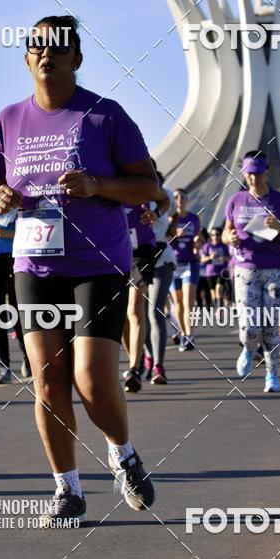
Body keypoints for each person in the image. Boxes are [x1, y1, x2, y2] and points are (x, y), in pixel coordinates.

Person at [0, 15, 157, 527]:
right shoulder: (9, 118)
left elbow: (146, 186)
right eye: (36, 46)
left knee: (92, 381)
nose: (45, 54)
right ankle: (68, 489)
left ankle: (122, 454)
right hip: (34, 263)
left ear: (76, 58)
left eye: (57, 46)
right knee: (49, 380)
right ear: (27, 57)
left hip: (97, 265)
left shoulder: (105, 116)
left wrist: (99, 186)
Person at [223, 151, 280, 392]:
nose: (253, 178)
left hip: (276, 270)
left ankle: (271, 375)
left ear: (267, 172)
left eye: (257, 173)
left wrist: (279, 228)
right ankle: (248, 347)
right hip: (246, 268)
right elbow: (226, 231)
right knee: (250, 325)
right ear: (244, 173)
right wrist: (230, 237)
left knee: (270, 326)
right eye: (249, 174)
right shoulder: (236, 200)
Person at [0, 206, 31, 383]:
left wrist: (9, 234)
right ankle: (4, 368)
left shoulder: (18, 207)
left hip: (15, 262)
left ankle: (28, 359)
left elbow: (32, 233)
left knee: (18, 314)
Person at [121, 203, 157, 393]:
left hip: (141, 250)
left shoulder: (142, 177)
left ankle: (134, 369)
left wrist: (156, 212)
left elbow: (164, 199)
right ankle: (135, 358)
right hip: (115, 248)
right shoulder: (104, 178)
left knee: (134, 307)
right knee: (121, 315)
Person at [143, 166, 174, 384]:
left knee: (155, 311)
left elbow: (173, 211)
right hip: (137, 258)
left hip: (162, 257)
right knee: (139, 314)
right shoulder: (129, 195)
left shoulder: (164, 194)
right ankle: (147, 355)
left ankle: (158, 365)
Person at [170, 188, 201, 351]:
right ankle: (182, 333)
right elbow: (162, 239)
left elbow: (200, 237)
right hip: (174, 263)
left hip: (190, 262)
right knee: (178, 303)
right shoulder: (170, 219)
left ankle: (190, 335)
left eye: (182, 196)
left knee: (189, 300)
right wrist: (174, 234)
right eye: (176, 197)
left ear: (187, 199)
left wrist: (198, 241)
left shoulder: (194, 218)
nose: (180, 199)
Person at [200, 227, 228, 313]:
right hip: (210, 272)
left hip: (221, 272)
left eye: (217, 235)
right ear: (210, 236)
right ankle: (217, 308)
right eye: (212, 235)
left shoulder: (224, 246)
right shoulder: (207, 246)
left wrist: (224, 258)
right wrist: (210, 257)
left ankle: (219, 310)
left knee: (219, 289)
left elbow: (230, 257)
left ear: (220, 235)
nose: (215, 236)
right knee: (213, 293)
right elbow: (202, 259)